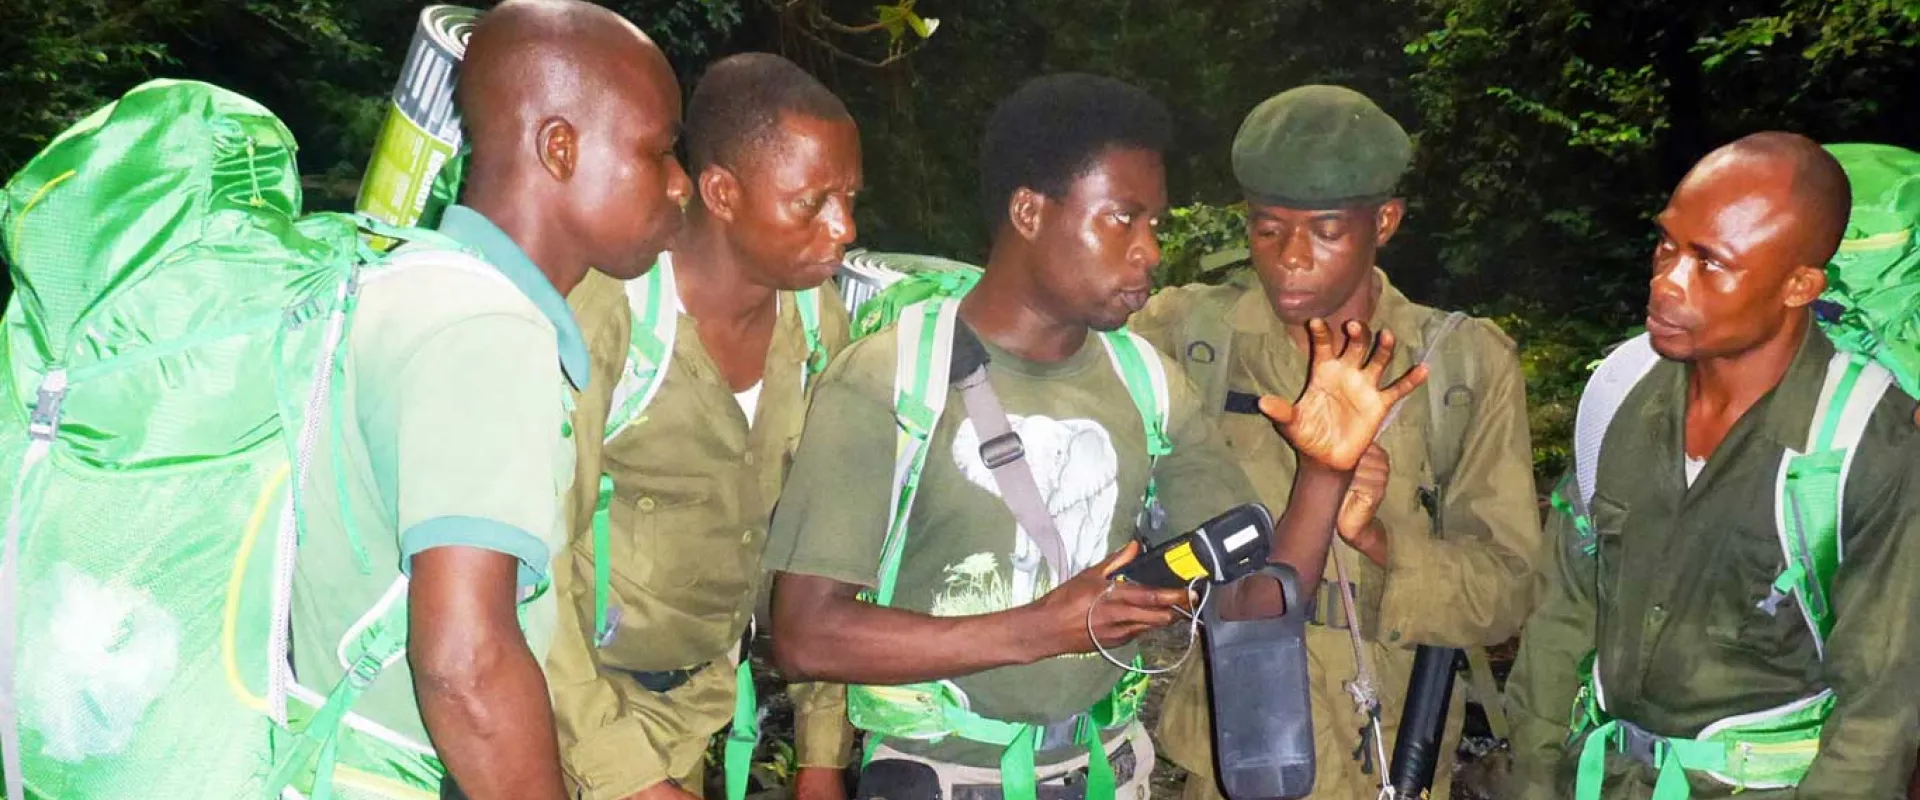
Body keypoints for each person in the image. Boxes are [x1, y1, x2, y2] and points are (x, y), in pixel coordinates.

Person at [762, 73, 1425, 800]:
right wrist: (1039, 629)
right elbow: (805, 636)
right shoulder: (890, 379)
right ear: (1028, 212)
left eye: (1156, 226)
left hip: (1110, 772)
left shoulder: (1150, 385)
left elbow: (1253, 608)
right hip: (942, 776)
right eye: (1122, 219)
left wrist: (1324, 473)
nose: (1149, 252)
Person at [287, 1, 691, 797]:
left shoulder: (405, 283)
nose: (680, 184)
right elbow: (467, 669)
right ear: (560, 147)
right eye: (660, 151)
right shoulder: (486, 330)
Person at [1132, 85, 1543, 800]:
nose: (1290, 257)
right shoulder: (1188, 338)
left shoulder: (1460, 367)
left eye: (1324, 231)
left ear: (1383, 220)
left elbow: (1509, 590)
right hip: (1229, 741)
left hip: (1383, 748)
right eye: (1267, 228)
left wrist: (1378, 541)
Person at [1505, 132, 1920, 798]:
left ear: (1799, 285)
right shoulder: (1619, 395)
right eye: (1667, 244)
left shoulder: (1867, 445)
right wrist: (1535, 777)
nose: (1666, 282)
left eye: (1710, 262)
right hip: (1601, 778)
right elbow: (1564, 616)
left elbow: (1879, 715)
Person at [543, 53, 860, 800]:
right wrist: (626, 775)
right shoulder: (608, 314)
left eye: (849, 197)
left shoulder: (816, 326)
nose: (844, 227)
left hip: (693, 713)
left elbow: (815, 544)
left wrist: (822, 752)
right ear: (720, 192)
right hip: (561, 715)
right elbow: (528, 575)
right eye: (812, 201)